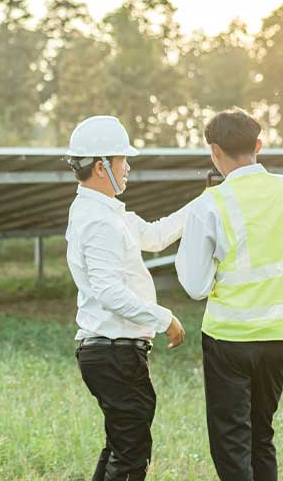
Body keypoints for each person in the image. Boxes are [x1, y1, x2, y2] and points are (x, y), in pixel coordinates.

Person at [175, 108, 283, 481]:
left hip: (229, 340)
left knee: (231, 442)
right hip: (280, 338)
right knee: (261, 436)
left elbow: (195, 286)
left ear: (214, 152)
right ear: (259, 145)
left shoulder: (211, 203)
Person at [64, 115, 192, 481]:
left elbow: (154, 236)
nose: (129, 167)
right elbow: (107, 290)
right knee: (132, 453)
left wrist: (202, 204)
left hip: (111, 351)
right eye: (123, 160)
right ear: (102, 166)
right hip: (114, 351)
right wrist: (162, 317)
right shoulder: (99, 220)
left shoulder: (104, 212)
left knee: (120, 447)